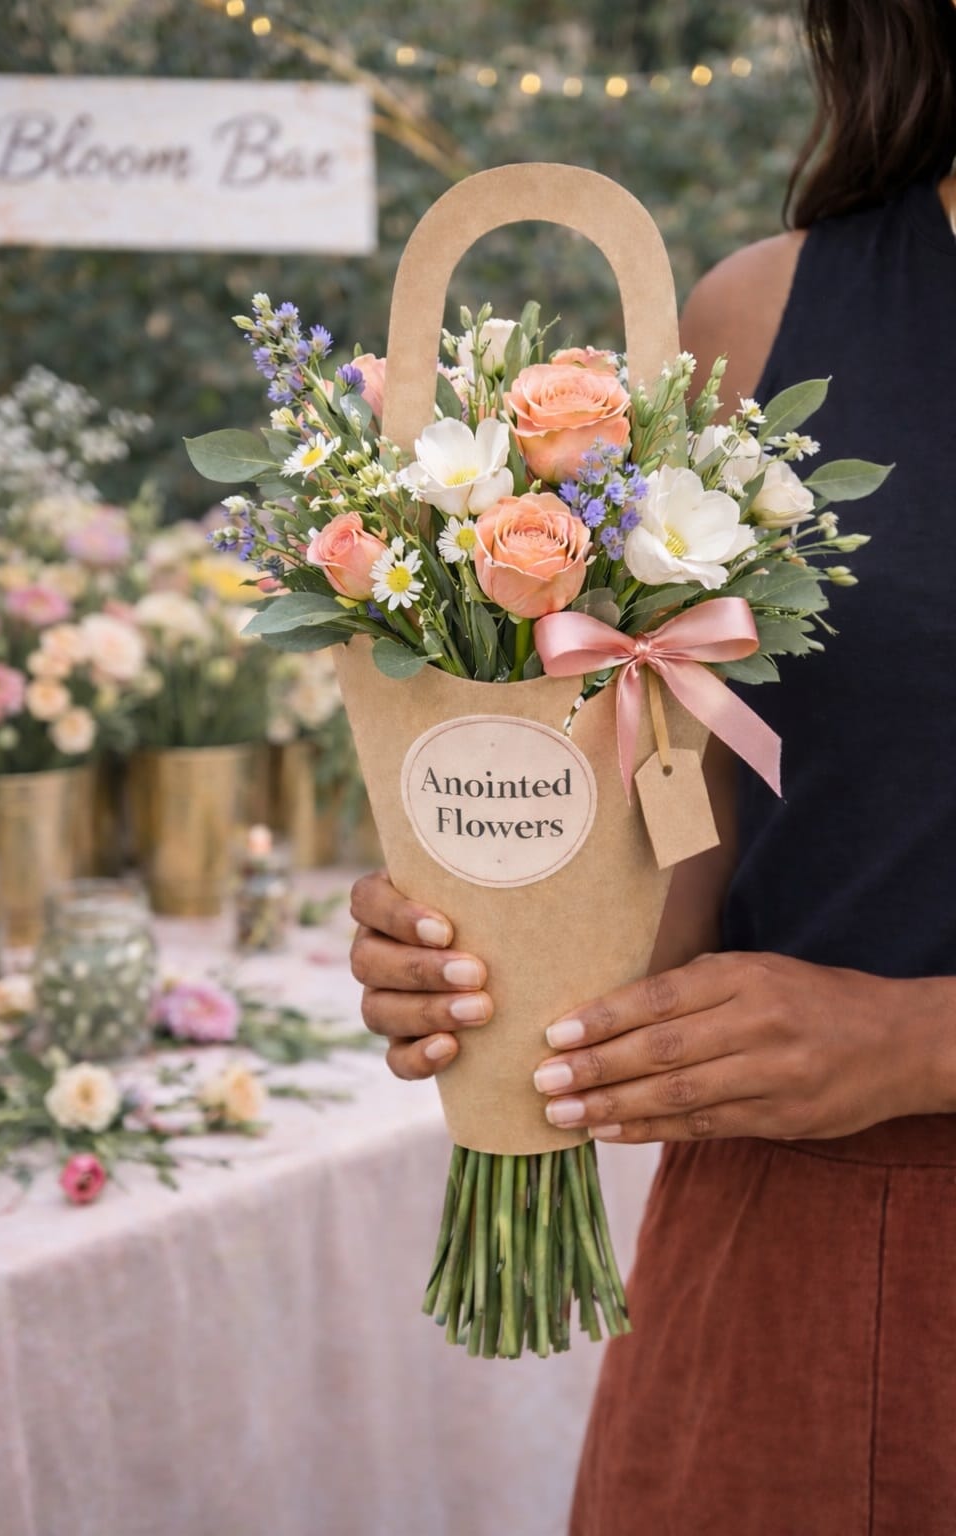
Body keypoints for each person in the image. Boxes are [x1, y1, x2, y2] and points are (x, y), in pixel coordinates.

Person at [348, 1, 956, 1529]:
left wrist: (922, 1044)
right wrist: (497, 917)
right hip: (800, 1260)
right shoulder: (769, 314)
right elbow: (693, 835)